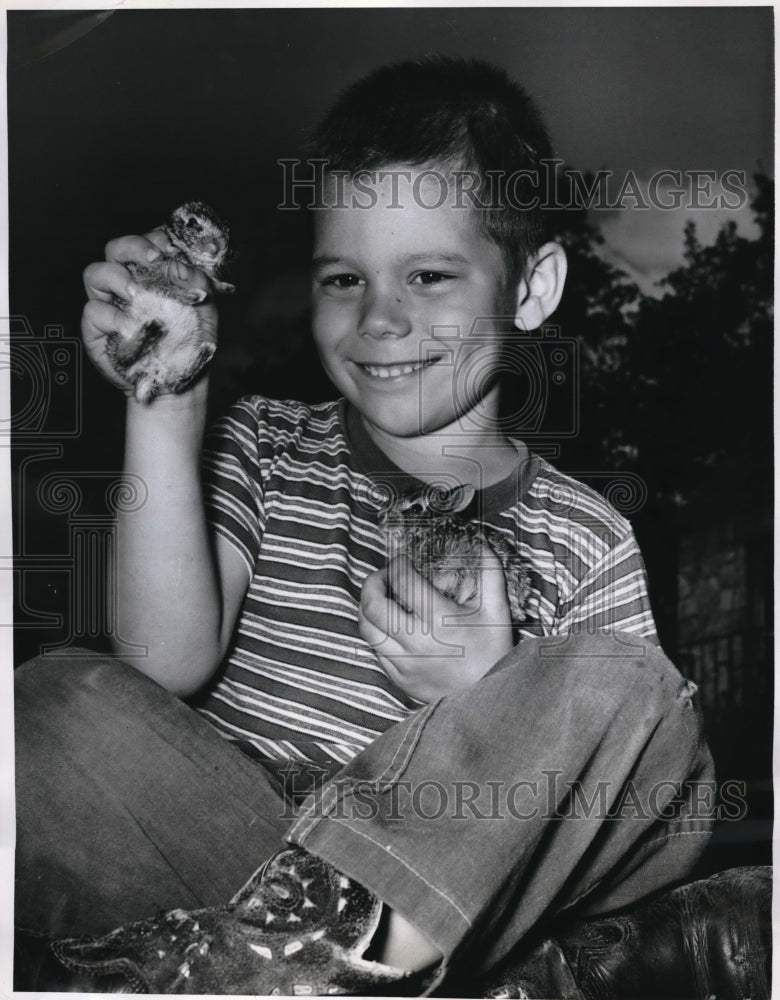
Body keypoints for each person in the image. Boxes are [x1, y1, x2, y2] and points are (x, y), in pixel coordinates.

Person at [15, 57, 714, 995]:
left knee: (636, 694)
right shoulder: (261, 442)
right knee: (52, 703)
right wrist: (167, 403)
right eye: (344, 277)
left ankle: (336, 952)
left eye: (428, 274)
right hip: (219, 864)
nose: (379, 318)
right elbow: (159, 662)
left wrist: (487, 690)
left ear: (534, 288)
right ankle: (297, 959)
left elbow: (621, 817)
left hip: (445, 922)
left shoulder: (584, 532)